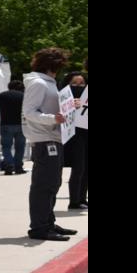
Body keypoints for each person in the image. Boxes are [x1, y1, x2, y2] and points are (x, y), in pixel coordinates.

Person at [21, 49, 77, 241]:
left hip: (53, 137)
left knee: (52, 183)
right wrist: (53, 118)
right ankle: (39, 227)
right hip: (44, 139)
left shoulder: (48, 83)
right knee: (44, 184)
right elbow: (29, 112)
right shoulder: (38, 83)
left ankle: (47, 222)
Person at [0, 79, 26, 174]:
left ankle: (9, 166)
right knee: (20, 147)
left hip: (6, 125)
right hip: (21, 125)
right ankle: (18, 167)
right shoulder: (24, 96)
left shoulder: (2, 95)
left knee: (6, 147)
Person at [63, 71, 89, 210]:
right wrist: (71, 106)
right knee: (78, 168)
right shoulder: (63, 98)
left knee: (86, 169)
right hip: (74, 137)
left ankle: (82, 198)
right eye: (74, 84)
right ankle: (74, 201)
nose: (78, 86)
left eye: (81, 84)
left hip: (86, 134)